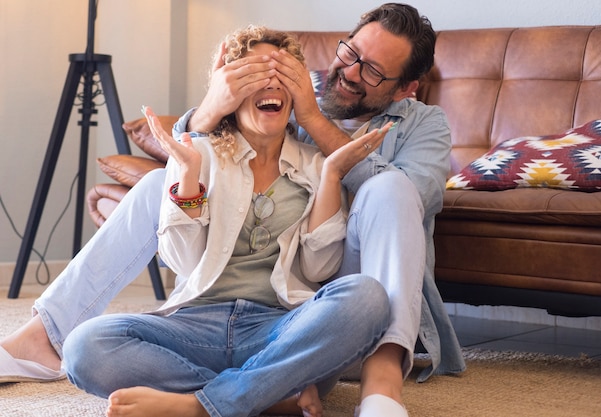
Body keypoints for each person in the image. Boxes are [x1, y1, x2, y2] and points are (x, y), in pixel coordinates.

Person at [1, 3, 466, 416]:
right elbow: (206, 145)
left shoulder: (413, 122)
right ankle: (48, 337)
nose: (348, 73)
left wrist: (312, 122)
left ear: (406, 88)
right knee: (152, 189)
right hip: (215, 316)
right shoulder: (294, 91)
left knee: (390, 191)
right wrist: (213, 104)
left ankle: (380, 381)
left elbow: (413, 198)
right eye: (350, 53)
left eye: (372, 72)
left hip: (322, 293)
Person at [63, 26, 393, 417]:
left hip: (279, 329)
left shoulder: (319, 165)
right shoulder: (196, 152)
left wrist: (333, 177)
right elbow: (182, 263)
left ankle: (200, 405)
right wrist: (187, 175)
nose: (270, 84)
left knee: (366, 298)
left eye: (282, 76)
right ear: (231, 92)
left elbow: (318, 268)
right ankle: (268, 397)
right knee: (84, 346)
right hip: (196, 324)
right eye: (253, 75)